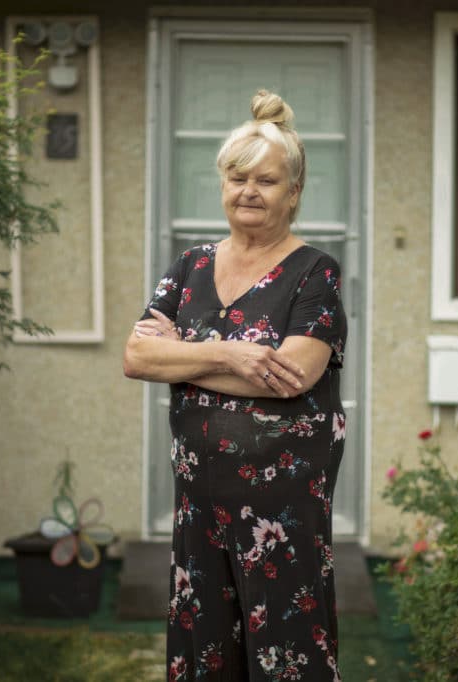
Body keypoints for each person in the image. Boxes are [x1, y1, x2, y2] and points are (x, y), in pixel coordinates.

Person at [123, 90, 347, 681]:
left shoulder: (315, 272)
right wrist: (230, 353)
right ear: (222, 184)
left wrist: (182, 355)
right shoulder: (190, 266)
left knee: (287, 651)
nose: (249, 191)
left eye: (266, 181)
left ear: (293, 193)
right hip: (199, 499)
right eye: (237, 177)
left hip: (283, 510)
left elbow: (290, 375)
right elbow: (137, 356)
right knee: (205, 650)